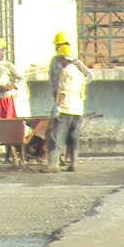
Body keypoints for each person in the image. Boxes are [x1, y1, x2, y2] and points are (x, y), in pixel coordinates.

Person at [47, 32, 90, 173]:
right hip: (77, 106)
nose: (56, 48)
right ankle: (73, 163)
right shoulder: (56, 62)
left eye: (58, 45)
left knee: (56, 134)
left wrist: (58, 105)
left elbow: (63, 89)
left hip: (64, 104)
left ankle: (53, 165)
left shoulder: (70, 67)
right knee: (73, 135)